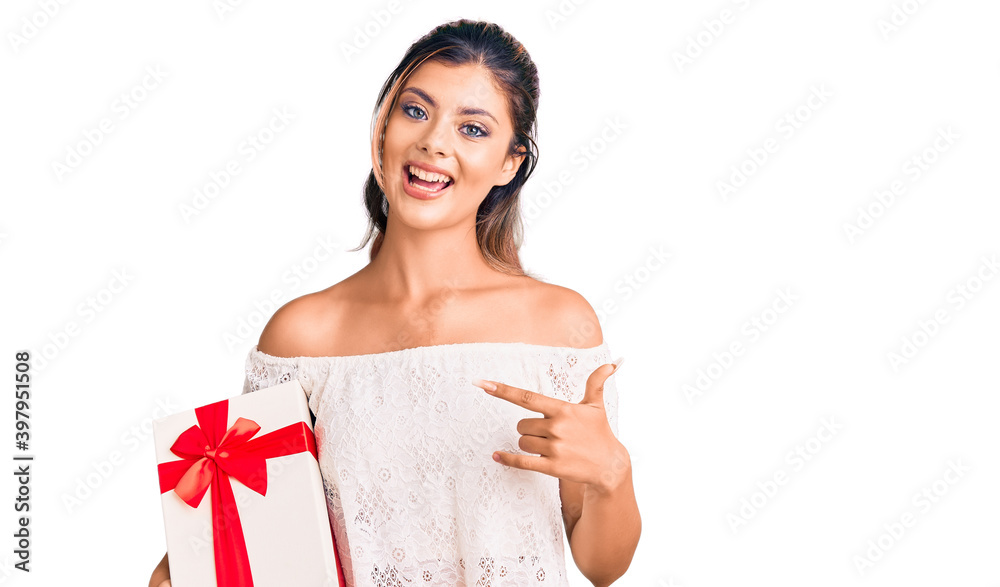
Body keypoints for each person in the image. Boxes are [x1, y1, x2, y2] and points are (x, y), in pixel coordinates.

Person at [150, 18, 639, 587]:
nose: (434, 141)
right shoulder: (302, 336)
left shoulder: (558, 325)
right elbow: (259, 540)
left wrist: (612, 473)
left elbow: (602, 567)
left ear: (511, 161)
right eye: (415, 110)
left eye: (474, 129)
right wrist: (184, 570)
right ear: (382, 127)